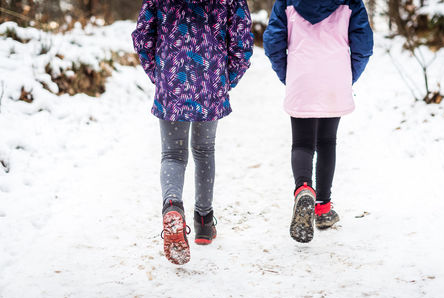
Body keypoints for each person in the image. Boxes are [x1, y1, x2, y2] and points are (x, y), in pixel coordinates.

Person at [132, 0, 253, 264]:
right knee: (204, 150)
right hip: (210, 80)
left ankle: (172, 207)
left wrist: (161, 73)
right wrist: (224, 78)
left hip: (171, 78)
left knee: (172, 154)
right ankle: (203, 222)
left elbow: (142, 35)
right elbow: (242, 42)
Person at [263, 0, 373, 243]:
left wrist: (288, 74)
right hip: (335, 76)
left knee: (302, 143)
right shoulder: (351, 1)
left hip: (301, 76)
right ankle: (323, 208)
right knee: (327, 141)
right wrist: (348, 75)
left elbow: (272, 43)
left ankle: (303, 189)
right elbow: (364, 44)